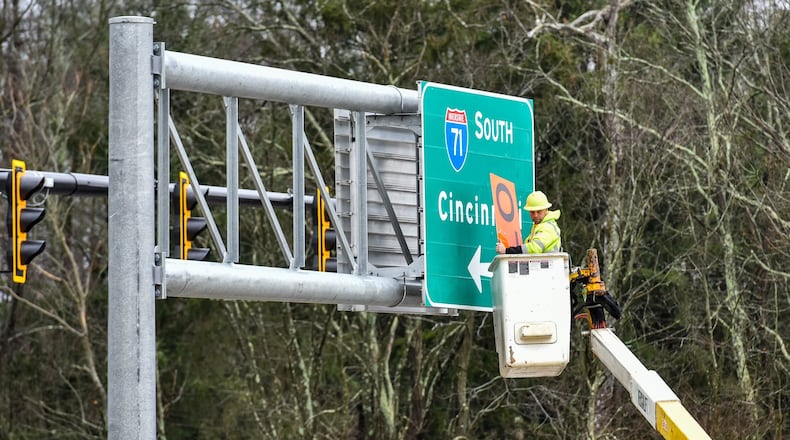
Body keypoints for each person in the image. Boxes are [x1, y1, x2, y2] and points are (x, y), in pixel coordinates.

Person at [495, 190, 561, 254]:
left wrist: (507, 251)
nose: (535, 215)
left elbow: (534, 248)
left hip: (549, 265)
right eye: (532, 212)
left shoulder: (548, 228)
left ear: (546, 210)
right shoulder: (539, 226)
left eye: (539, 211)